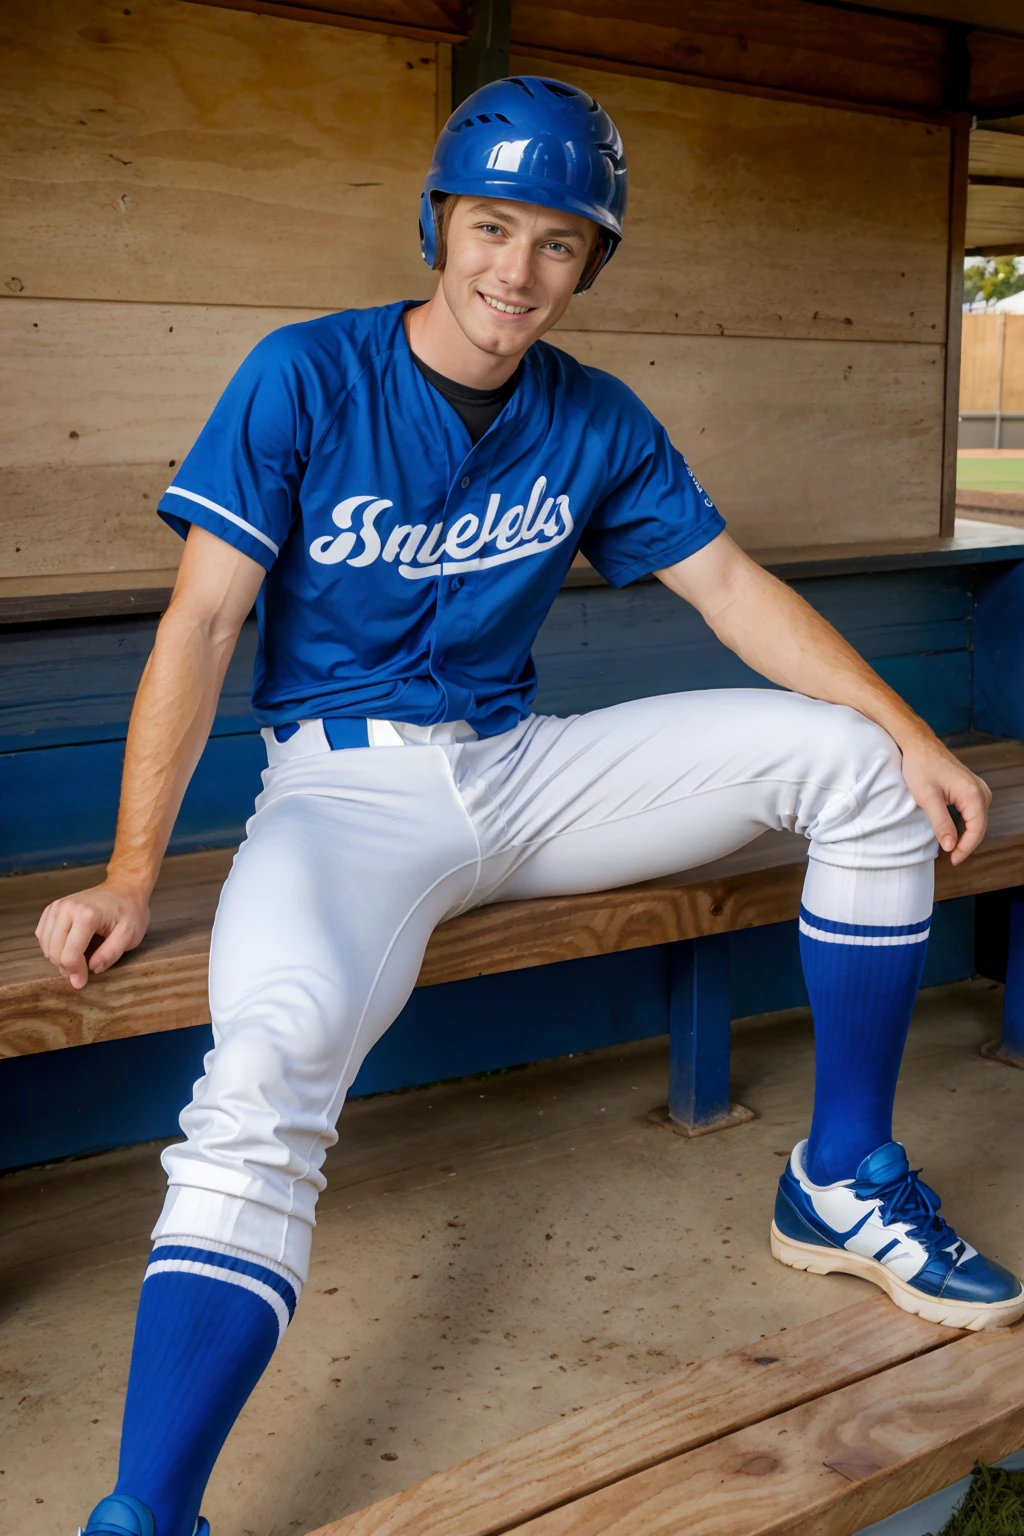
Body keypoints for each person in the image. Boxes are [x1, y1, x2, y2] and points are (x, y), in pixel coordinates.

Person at [38, 76, 1021, 1536]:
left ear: (590, 261)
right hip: (348, 794)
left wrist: (907, 727)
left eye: (559, 242)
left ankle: (839, 1178)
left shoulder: (594, 414)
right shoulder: (306, 374)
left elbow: (731, 588)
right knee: (266, 1075)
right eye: (491, 226)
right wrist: (129, 872)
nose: (517, 270)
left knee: (858, 769)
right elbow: (200, 627)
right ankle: (148, 1511)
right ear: (441, 223)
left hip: (524, 770)